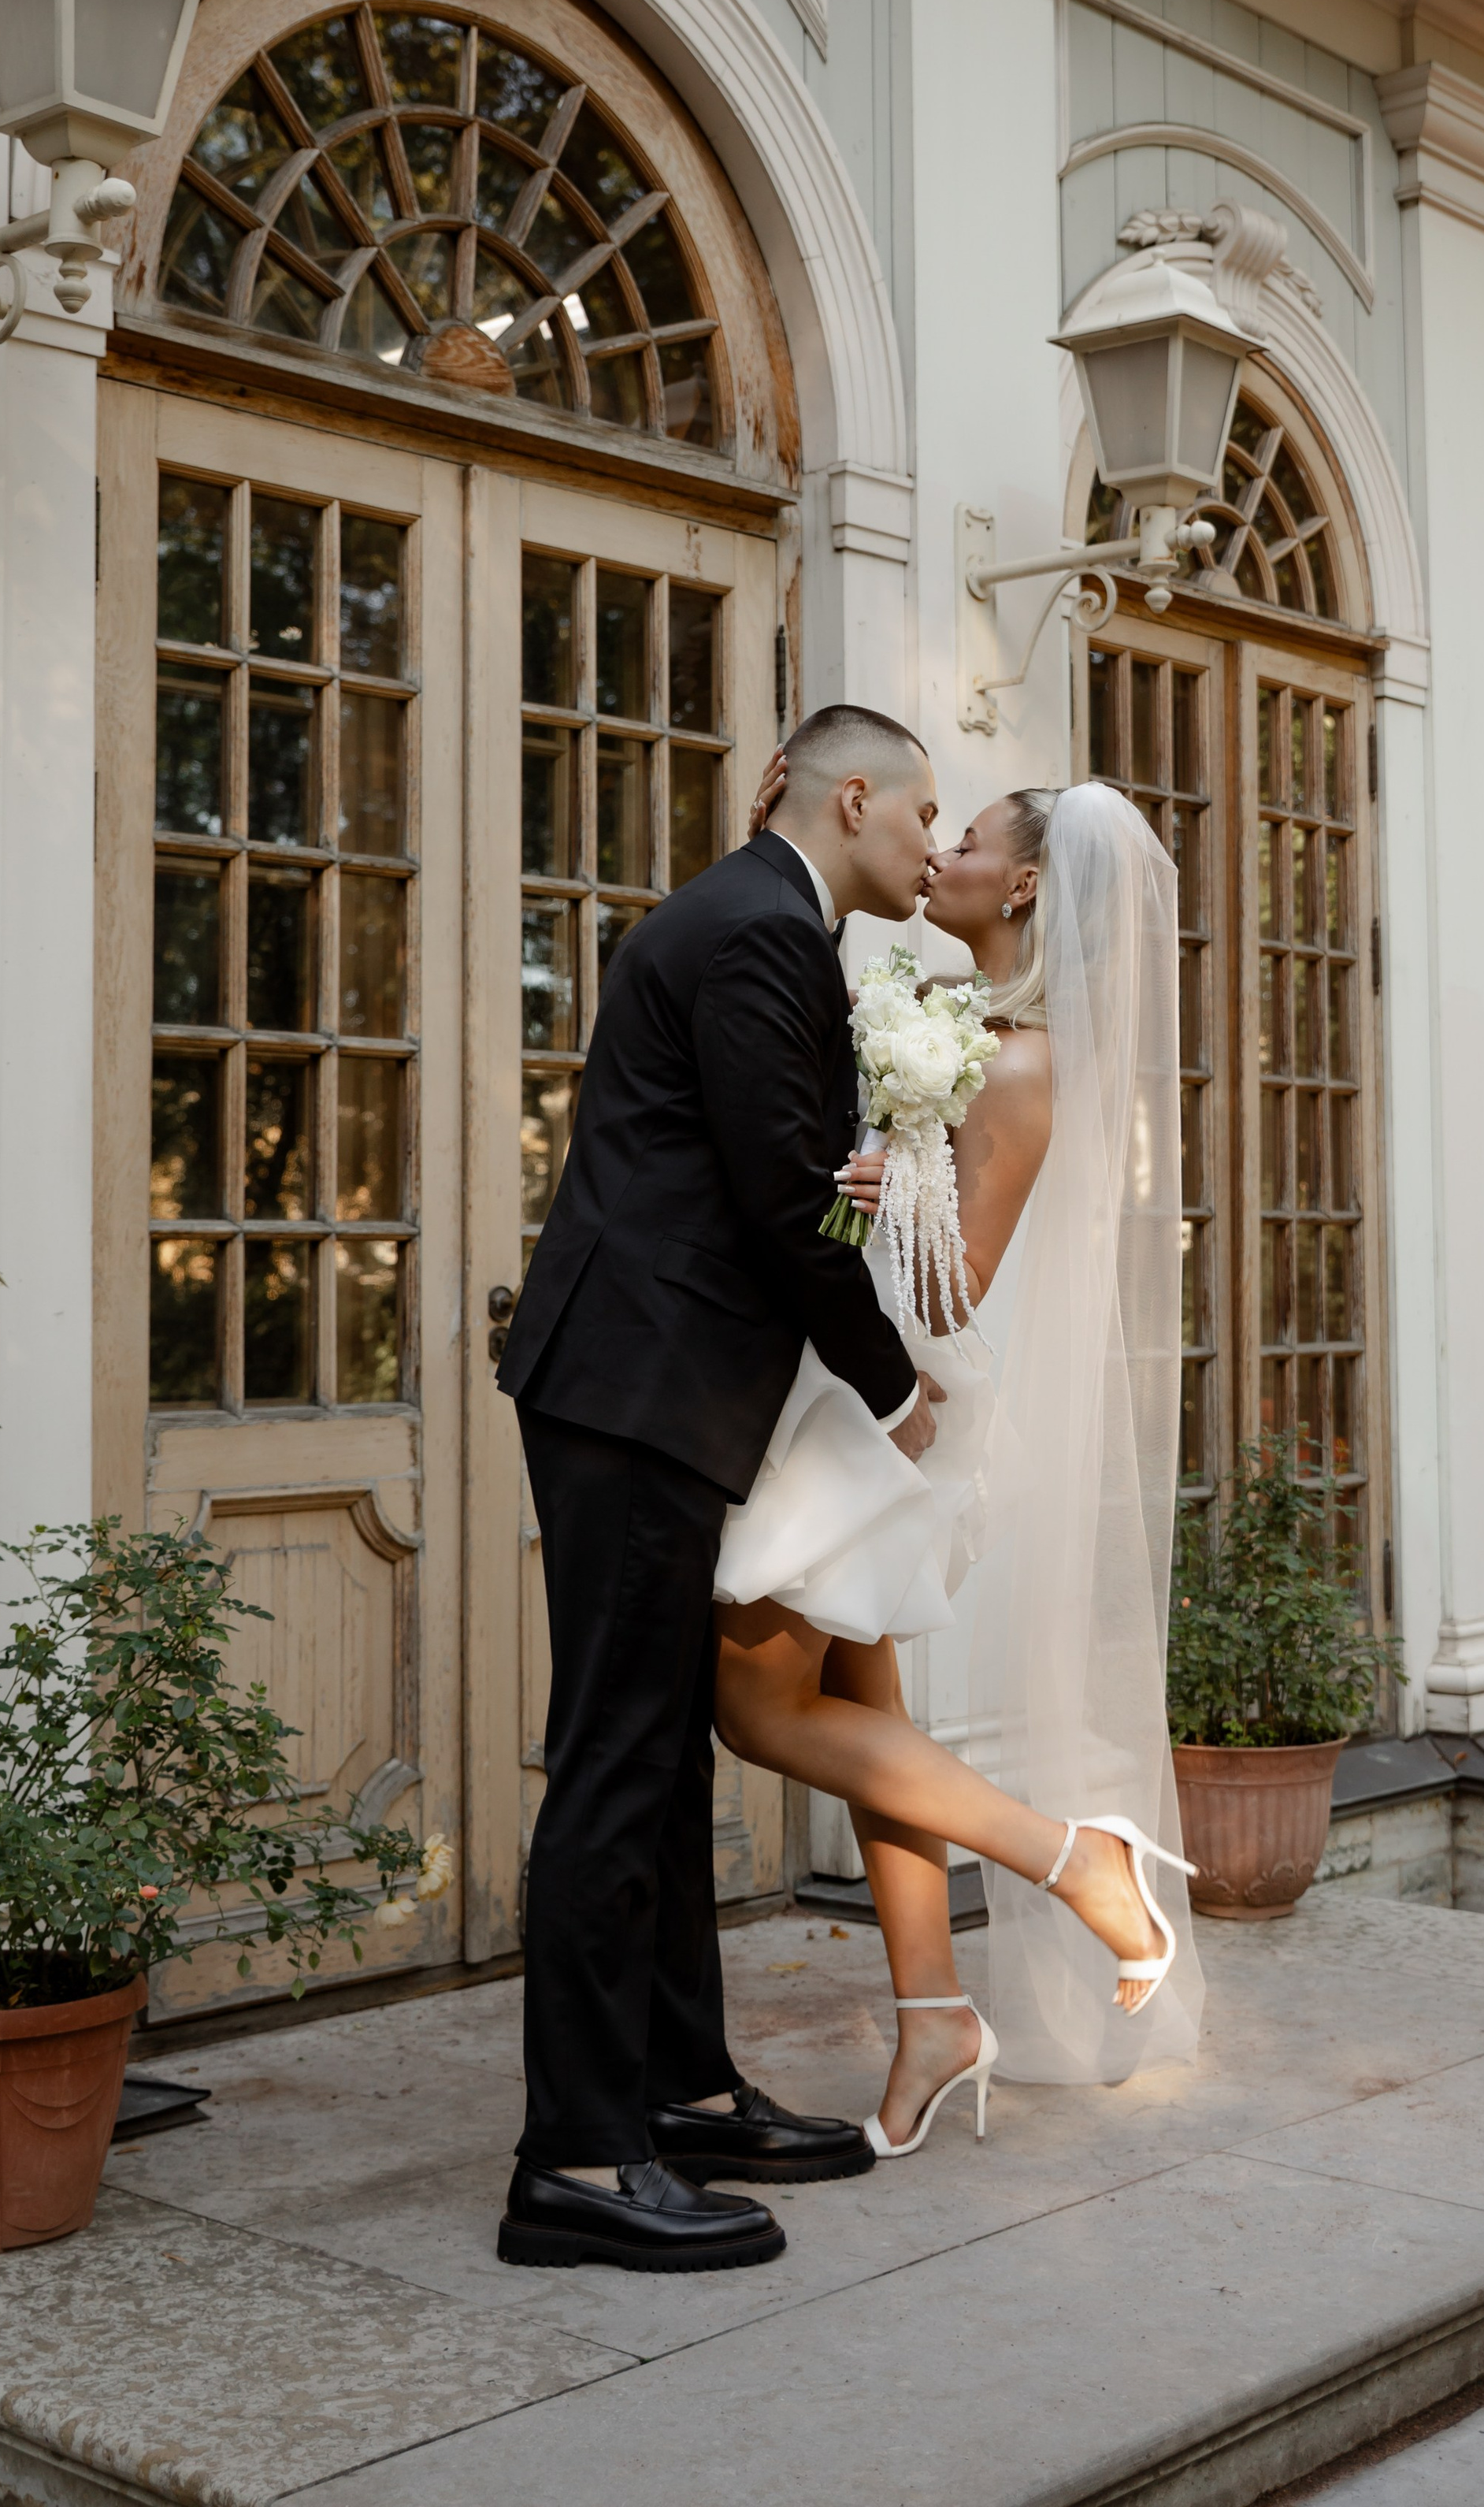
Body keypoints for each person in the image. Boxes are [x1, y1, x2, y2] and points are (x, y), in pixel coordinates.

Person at [493, 704, 948, 2271]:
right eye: (920, 815)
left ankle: (676, 2086)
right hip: (636, 1388)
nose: (932, 847)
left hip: (652, 1384)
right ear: (849, 796)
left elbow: (774, 1166)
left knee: (662, 1758)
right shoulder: (760, 930)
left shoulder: (750, 922)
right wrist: (890, 1381)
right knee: (616, 1757)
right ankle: (574, 2159)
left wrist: (849, 1178)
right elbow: (775, 1205)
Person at [712, 767, 1202, 2156]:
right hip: (846, 1383)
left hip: (894, 1402)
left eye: (970, 838)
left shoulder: (1029, 1057)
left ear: (1028, 883)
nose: (943, 851)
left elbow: (955, 1283)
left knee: (757, 1708)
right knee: (876, 1723)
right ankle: (933, 2013)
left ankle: (1077, 1861)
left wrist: (871, 1186)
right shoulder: (943, 1018)